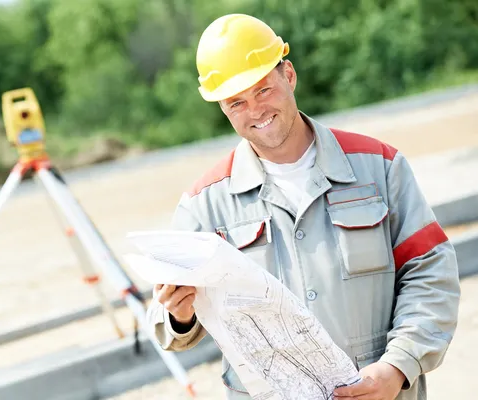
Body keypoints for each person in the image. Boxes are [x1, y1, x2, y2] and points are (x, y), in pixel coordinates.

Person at [145, 13, 460, 400]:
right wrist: (178, 314)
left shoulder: (378, 166)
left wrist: (398, 365)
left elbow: (431, 274)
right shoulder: (205, 205)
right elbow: (165, 323)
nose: (255, 110)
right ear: (223, 109)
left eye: (263, 90)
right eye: (236, 102)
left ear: (289, 75)